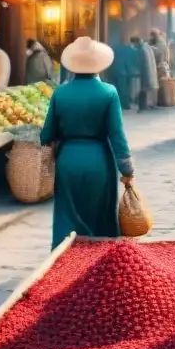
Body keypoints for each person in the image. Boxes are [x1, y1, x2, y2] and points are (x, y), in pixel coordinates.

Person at [40, 37, 135, 249]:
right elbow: (117, 136)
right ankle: (98, 262)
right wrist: (127, 170)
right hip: (99, 161)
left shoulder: (60, 93)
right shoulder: (108, 92)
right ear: (98, 64)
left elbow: (46, 134)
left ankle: (64, 260)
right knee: (100, 217)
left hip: (68, 161)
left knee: (67, 214)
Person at [132, 35, 158, 111]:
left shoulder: (141, 49)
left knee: (142, 89)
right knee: (145, 89)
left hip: (144, 71)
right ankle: (144, 105)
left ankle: (142, 106)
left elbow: (140, 62)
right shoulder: (146, 47)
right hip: (148, 71)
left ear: (135, 42)